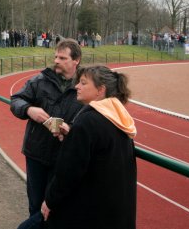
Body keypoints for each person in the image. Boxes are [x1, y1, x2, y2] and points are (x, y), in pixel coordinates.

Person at [39, 65, 137, 228]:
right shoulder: (119, 118)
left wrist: (49, 201)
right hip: (115, 212)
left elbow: (68, 171)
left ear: (100, 90)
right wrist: (72, 135)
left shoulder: (87, 121)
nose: (76, 86)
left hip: (88, 213)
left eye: (83, 83)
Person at [10, 38, 84, 222]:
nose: (56, 61)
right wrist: (28, 109)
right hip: (36, 153)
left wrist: (71, 129)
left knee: (57, 207)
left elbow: (91, 119)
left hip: (64, 157)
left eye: (62, 57)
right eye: (56, 57)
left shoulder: (84, 87)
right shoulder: (40, 80)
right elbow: (16, 100)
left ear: (76, 60)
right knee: (36, 205)